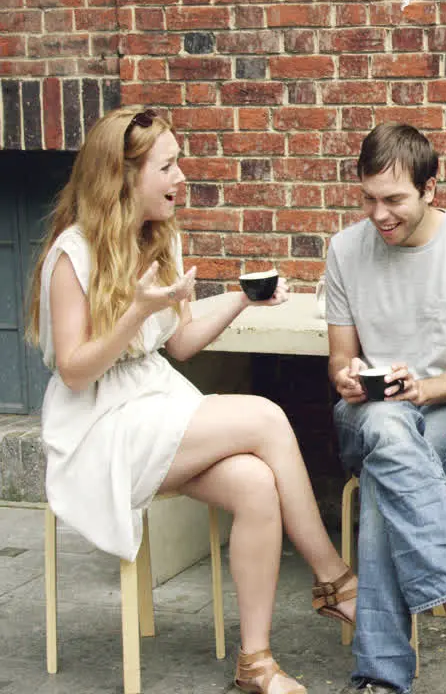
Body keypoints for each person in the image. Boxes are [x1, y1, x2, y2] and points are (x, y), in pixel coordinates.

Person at [28, 106, 357, 694]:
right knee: (266, 416)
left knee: (256, 484)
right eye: (169, 166)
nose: (183, 177)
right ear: (124, 177)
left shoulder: (160, 238)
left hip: (155, 400)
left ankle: (255, 664)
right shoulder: (72, 255)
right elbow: (77, 372)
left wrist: (241, 300)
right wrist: (137, 310)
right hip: (98, 427)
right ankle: (335, 580)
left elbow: (178, 344)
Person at [324, 123, 446, 694]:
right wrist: (348, 379)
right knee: (385, 427)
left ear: (432, 188)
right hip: (369, 415)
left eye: (394, 200)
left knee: (390, 469)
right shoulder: (343, 249)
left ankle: (380, 678)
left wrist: (420, 389)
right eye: (369, 199)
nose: (379, 215)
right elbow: (339, 362)